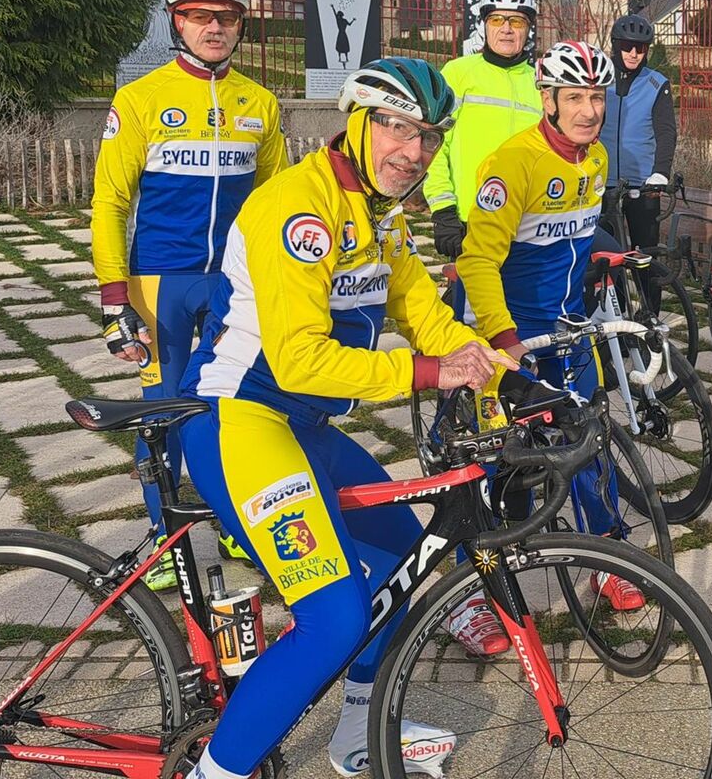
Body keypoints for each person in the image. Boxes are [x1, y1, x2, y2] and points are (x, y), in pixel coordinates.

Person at [178, 58, 521, 779]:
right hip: (238, 419)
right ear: (359, 123)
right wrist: (427, 372)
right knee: (334, 618)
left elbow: (423, 311)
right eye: (398, 129)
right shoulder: (299, 210)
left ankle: (356, 734)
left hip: (302, 428)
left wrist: (497, 369)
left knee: (404, 566)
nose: (414, 152)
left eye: (429, 137)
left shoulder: (378, 215)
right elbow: (301, 361)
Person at [92, 0, 287, 590]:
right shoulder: (140, 99)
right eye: (200, 16)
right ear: (177, 22)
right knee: (163, 413)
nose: (214, 27)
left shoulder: (260, 103)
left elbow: (277, 202)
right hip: (161, 282)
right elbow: (110, 203)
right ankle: (163, 537)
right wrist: (113, 299)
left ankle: (232, 520)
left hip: (232, 282)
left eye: (226, 17)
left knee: (236, 406)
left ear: (240, 26)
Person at [455, 40, 645, 611]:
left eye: (597, 97)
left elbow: (576, 236)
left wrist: (604, 256)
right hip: (508, 330)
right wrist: (504, 339)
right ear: (548, 100)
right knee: (495, 464)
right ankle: (473, 587)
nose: (589, 110)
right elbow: (477, 261)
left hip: (566, 326)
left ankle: (607, 556)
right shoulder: (513, 164)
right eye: (575, 97)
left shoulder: (596, 159)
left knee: (590, 438)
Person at [424, 0, 540, 266]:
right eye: (497, 19)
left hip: (529, 224)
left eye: (516, 21)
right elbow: (433, 144)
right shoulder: (458, 72)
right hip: (469, 220)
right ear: (485, 25)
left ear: (528, 29)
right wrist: (443, 209)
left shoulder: (540, 81)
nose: (507, 29)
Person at [599, 13, 677, 307]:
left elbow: (666, 132)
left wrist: (660, 173)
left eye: (641, 48)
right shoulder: (599, 79)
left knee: (645, 257)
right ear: (616, 45)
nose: (634, 53)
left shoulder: (656, 83)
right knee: (605, 257)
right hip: (602, 182)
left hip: (643, 184)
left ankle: (650, 316)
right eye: (627, 46)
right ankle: (614, 314)